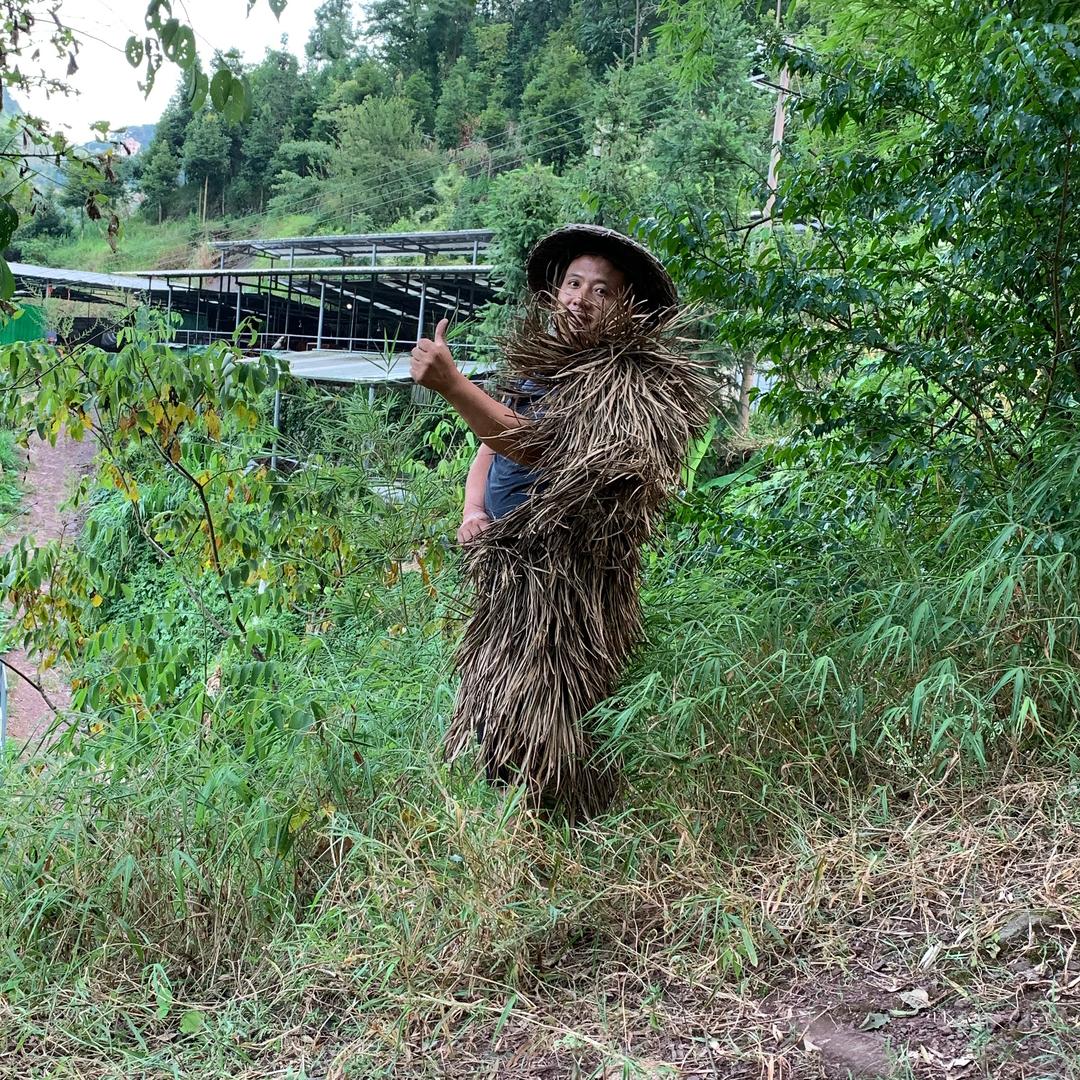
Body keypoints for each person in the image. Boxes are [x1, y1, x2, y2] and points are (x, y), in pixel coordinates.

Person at [410, 224, 705, 816]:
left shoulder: (629, 382)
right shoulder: (539, 371)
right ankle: (515, 833)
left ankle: (573, 836)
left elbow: (545, 450)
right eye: (573, 282)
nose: (580, 298)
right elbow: (488, 449)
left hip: (567, 585)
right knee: (494, 708)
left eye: (601, 290)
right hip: (508, 573)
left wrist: (452, 385)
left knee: (553, 716)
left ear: (629, 308)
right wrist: (473, 510)